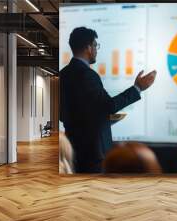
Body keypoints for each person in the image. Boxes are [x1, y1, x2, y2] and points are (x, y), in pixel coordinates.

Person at [60, 27, 156, 173]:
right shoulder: (88, 75)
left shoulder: (63, 74)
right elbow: (109, 106)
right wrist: (137, 88)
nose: (96, 50)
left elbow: (64, 114)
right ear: (88, 48)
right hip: (93, 152)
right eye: (95, 45)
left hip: (73, 148)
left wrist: (96, 118)